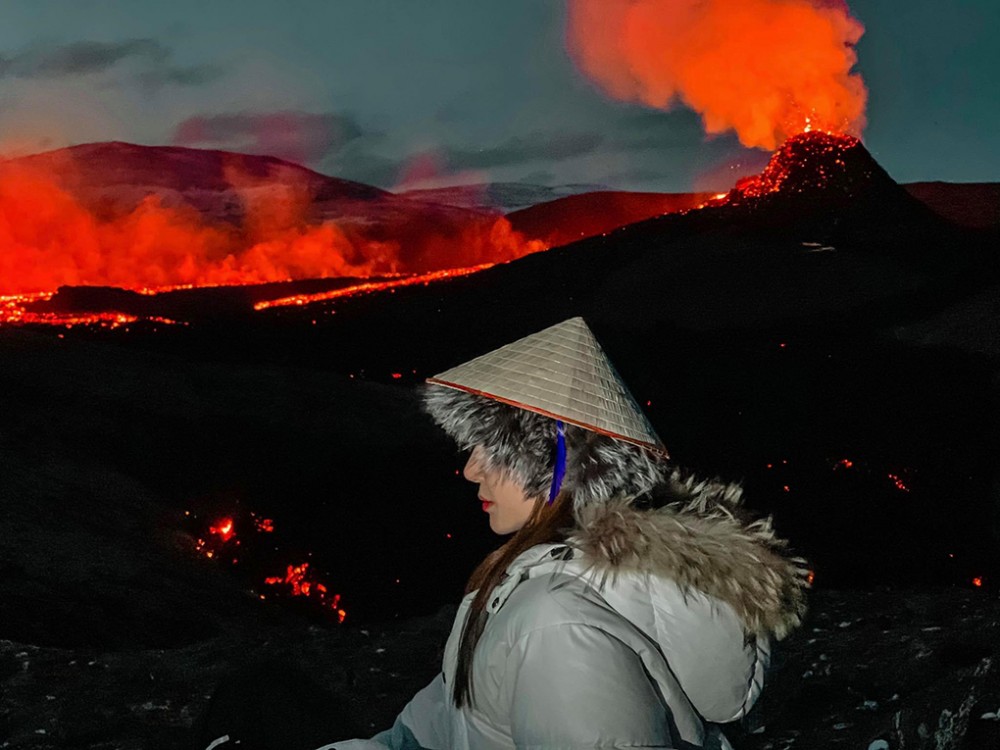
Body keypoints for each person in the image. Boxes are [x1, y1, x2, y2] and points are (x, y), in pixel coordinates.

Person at [198, 316, 808, 750]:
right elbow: (437, 729)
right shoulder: (538, 580)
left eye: (492, 448)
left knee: (251, 705)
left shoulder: (556, 625)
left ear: (559, 464)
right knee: (259, 692)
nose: (469, 469)